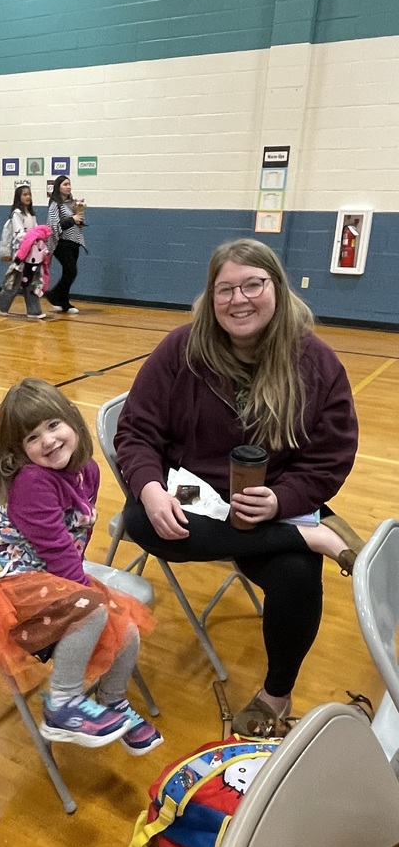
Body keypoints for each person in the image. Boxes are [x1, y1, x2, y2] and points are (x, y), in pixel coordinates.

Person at [114, 238, 364, 738]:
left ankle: (276, 693)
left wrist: (284, 500)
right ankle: (313, 535)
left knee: (296, 577)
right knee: (141, 518)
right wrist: (149, 488)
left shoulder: (313, 360)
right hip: (196, 494)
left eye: (253, 284)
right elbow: (136, 434)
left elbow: (330, 456)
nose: (239, 299)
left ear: (277, 288)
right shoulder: (180, 350)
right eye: (225, 288)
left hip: (272, 498)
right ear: (210, 297)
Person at [0, 378, 163, 755]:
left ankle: (112, 702)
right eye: (33, 438)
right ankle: (63, 702)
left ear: (72, 420)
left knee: (128, 629)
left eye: (53, 425)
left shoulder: (86, 470)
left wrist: (93, 598)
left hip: (50, 569)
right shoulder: (31, 482)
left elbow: (74, 540)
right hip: (10, 577)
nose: (49, 441)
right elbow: (57, 550)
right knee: (93, 611)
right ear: (21, 451)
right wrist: (88, 596)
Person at [0, 186, 47, 319]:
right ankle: (2, 304)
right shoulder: (16, 214)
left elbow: (36, 230)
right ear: (19, 197)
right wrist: (32, 237)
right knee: (16, 281)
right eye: (24, 194)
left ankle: (33, 310)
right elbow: (19, 234)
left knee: (31, 280)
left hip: (33, 253)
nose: (28, 197)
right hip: (22, 253)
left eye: (29, 194)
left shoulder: (31, 214)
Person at [43, 175, 85, 314]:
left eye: (69, 184)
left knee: (69, 273)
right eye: (65, 184)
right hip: (61, 242)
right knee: (71, 270)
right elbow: (54, 226)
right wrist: (72, 219)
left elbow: (74, 223)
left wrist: (79, 220)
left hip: (74, 241)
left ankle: (61, 300)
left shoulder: (72, 203)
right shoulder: (55, 204)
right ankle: (55, 295)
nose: (68, 187)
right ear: (58, 187)